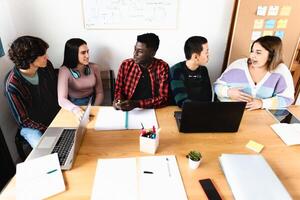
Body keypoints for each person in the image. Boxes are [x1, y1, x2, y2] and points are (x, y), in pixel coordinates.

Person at [4, 36, 60, 148]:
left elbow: (55, 91)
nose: (47, 57)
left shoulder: (46, 66)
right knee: (46, 150)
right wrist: (50, 129)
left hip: (54, 116)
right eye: (43, 55)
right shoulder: (13, 85)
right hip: (33, 127)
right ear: (30, 59)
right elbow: (24, 120)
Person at [214, 36, 294, 110]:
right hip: (231, 112)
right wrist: (228, 92)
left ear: (271, 55)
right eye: (252, 51)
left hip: (262, 117)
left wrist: (262, 103)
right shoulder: (237, 65)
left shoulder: (281, 71)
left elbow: (287, 99)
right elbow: (217, 86)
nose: (252, 55)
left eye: (258, 52)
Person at [113, 33, 170, 111]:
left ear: (152, 53)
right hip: (129, 111)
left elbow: (163, 98)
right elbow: (118, 89)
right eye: (135, 49)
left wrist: (137, 104)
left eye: (140, 51)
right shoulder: (126, 65)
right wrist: (118, 101)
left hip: (153, 110)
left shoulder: (162, 67)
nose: (134, 54)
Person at [58, 38, 104, 119]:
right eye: (83, 53)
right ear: (73, 54)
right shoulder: (64, 71)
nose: (87, 56)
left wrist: (94, 108)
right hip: (74, 105)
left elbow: (100, 92)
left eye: (87, 51)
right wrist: (75, 109)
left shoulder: (94, 67)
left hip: (93, 101)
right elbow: (62, 99)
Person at [170, 36, 212, 107]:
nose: (208, 55)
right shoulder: (176, 70)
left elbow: (208, 97)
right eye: (206, 52)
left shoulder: (204, 70)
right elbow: (181, 101)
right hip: (180, 110)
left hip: (200, 110)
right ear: (195, 57)